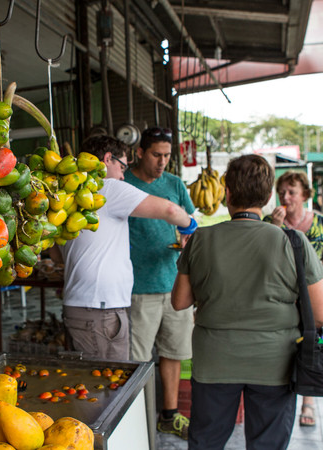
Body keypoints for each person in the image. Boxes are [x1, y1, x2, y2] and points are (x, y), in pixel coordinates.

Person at [172, 154, 323, 450]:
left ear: (227, 193)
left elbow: (180, 302)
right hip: (275, 364)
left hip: (214, 362)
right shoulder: (294, 242)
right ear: (269, 196)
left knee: (206, 442)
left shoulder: (200, 239)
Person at [52, 135, 196, 361]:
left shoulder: (69, 192)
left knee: (92, 384)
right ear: (108, 159)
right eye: (122, 166)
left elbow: (55, 253)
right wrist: (190, 227)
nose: (123, 175)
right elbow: (169, 210)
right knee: (107, 388)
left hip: (82, 305)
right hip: (100, 309)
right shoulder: (108, 187)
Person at [124, 127, 196, 439]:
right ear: (140, 152)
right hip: (138, 286)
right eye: (157, 155)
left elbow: (191, 225)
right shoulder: (124, 183)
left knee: (174, 352)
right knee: (138, 359)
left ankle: (169, 415)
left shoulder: (174, 184)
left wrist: (185, 239)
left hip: (173, 283)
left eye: (167, 155)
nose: (162, 161)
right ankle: (136, 416)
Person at [263, 170, 323, 427]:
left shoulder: (320, 222)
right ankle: (278, 391)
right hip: (280, 296)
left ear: (305, 195)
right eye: (282, 192)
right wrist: (274, 227)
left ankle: (307, 399)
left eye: (292, 192)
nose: (286, 197)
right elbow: (262, 258)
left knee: (310, 343)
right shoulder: (269, 221)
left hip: (312, 295)